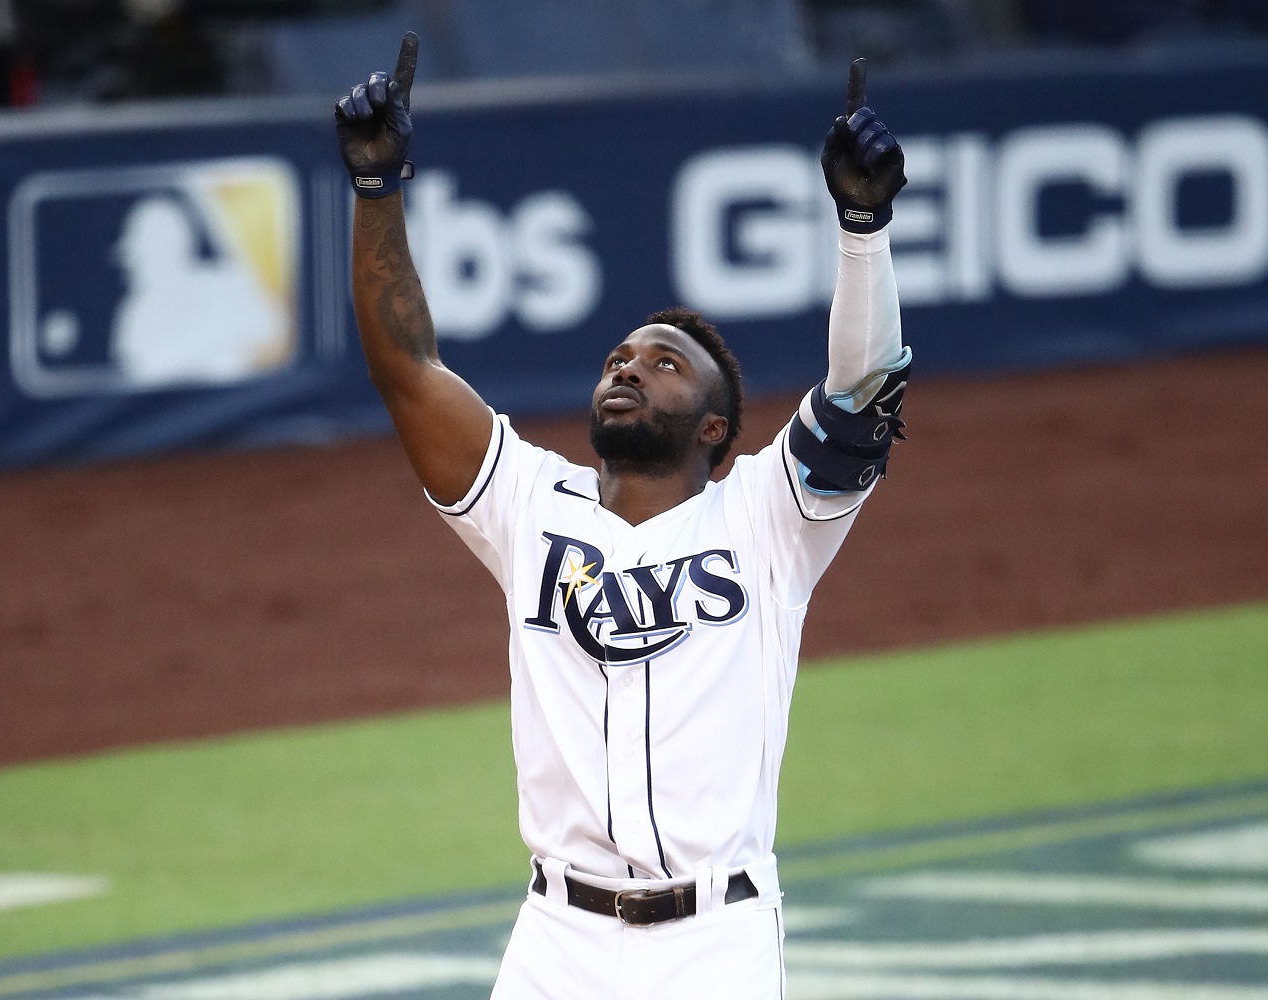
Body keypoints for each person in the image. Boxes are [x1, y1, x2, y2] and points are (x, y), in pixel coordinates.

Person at [335, 34, 909, 999]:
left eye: (663, 362)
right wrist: (378, 189)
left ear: (715, 427)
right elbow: (407, 368)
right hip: (557, 937)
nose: (629, 366)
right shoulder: (530, 505)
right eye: (619, 358)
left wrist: (863, 226)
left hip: (713, 942)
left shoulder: (770, 519)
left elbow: (863, 393)